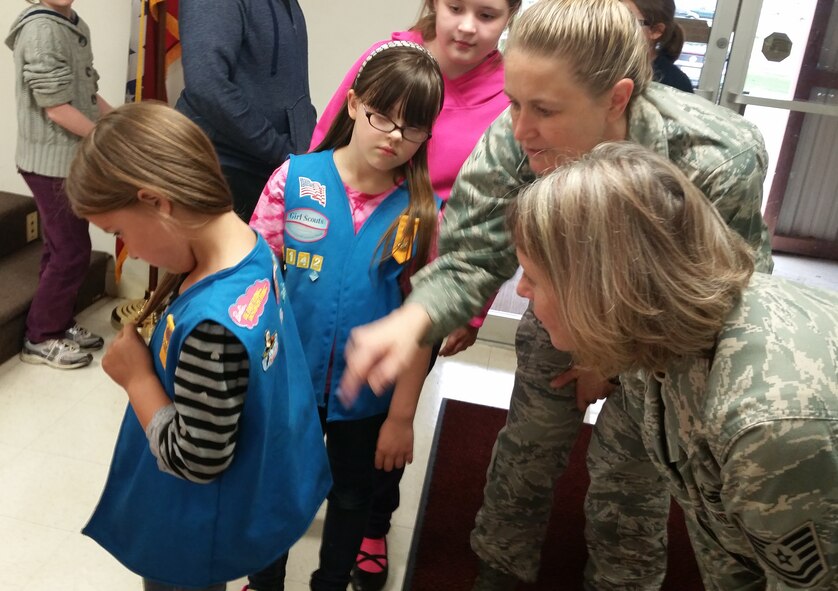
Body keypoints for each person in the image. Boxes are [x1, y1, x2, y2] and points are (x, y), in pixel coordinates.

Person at [339, 1, 774, 589]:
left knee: (633, 480)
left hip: (667, 340)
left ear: (616, 99)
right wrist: (415, 316)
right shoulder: (513, 138)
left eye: (544, 109)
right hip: (558, 309)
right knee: (525, 455)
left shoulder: (716, 158)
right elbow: (471, 255)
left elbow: (726, 311)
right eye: (515, 102)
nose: (521, 129)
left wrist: (614, 361)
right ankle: (498, 571)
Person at [511, 141, 838, 590]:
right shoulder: (663, 337)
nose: (523, 291)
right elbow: (727, 544)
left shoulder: (767, 425)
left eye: (533, 276)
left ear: (602, 290)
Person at [64, 102, 331, 590]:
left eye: (120, 232)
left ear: (157, 201)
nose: (130, 249)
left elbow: (196, 457)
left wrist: (138, 377)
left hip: (192, 531)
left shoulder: (214, 326)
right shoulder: (251, 246)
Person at [309, 2, 521, 587]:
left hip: (427, 283)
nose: (468, 26)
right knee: (308, 410)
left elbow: (502, 216)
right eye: (456, 6)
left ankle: (373, 520)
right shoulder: (386, 58)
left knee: (385, 417)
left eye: (489, 13)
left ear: (510, 20)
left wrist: (467, 306)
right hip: (337, 262)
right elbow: (323, 144)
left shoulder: (512, 95)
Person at [248, 42, 445, 591]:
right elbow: (252, 282)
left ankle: (331, 582)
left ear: (427, 136)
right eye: (382, 115)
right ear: (355, 104)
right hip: (287, 381)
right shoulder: (295, 179)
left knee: (354, 494)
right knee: (280, 488)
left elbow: (422, 320)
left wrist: (402, 416)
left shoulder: (420, 211)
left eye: (412, 128)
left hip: (366, 395)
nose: (393, 136)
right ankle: (263, 582)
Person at [6, 0, 112, 369]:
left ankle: (56, 322)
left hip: (68, 162)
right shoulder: (41, 29)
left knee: (61, 248)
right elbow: (55, 106)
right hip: (50, 165)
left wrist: (120, 121)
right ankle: (40, 336)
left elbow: (86, 94)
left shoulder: (71, 23)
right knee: (71, 252)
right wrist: (104, 136)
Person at [175, 0, 316, 222]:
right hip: (218, 173)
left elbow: (293, 93)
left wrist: (311, 152)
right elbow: (208, 87)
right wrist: (280, 151)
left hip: (270, 172)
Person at [623, 0, 694, 92]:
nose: (616, 25)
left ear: (656, 31)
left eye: (628, 21)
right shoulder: (606, 66)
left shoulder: (676, 83)